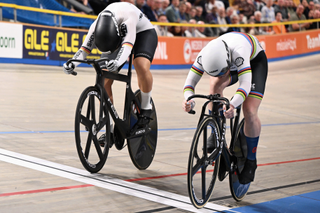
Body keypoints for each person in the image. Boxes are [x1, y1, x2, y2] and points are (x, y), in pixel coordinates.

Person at [63, 2, 158, 141]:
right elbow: (84, 50)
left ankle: (146, 108)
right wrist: (72, 63)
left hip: (143, 33)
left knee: (141, 65)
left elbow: (127, 46)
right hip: (117, 39)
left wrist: (118, 62)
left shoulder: (128, 18)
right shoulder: (96, 25)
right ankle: (113, 126)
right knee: (104, 78)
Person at [182, 32, 268, 184]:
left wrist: (233, 104)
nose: (221, 75)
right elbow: (189, 84)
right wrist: (189, 100)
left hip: (254, 63)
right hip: (231, 64)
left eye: (222, 72)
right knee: (215, 85)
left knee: (249, 110)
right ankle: (216, 131)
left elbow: (245, 85)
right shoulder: (203, 55)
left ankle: (251, 161)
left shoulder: (239, 52)